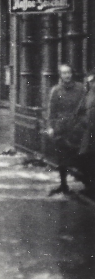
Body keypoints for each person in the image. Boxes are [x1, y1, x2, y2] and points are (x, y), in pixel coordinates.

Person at [46, 64, 86, 195]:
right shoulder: (56, 91)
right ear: (60, 75)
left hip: (77, 127)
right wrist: (51, 127)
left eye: (68, 72)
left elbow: (86, 106)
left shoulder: (80, 88)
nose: (67, 75)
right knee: (62, 158)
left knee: (81, 154)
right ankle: (64, 184)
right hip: (61, 128)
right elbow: (52, 111)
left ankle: (87, 184)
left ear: (72, 74)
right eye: (64, 73)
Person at [76, 68, 95, 196]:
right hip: (88, 132)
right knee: (84, 158)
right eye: (91, 81)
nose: (93, 84)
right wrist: (84, 122)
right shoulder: (88, 95)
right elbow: (79, 112)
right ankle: (89, 185)